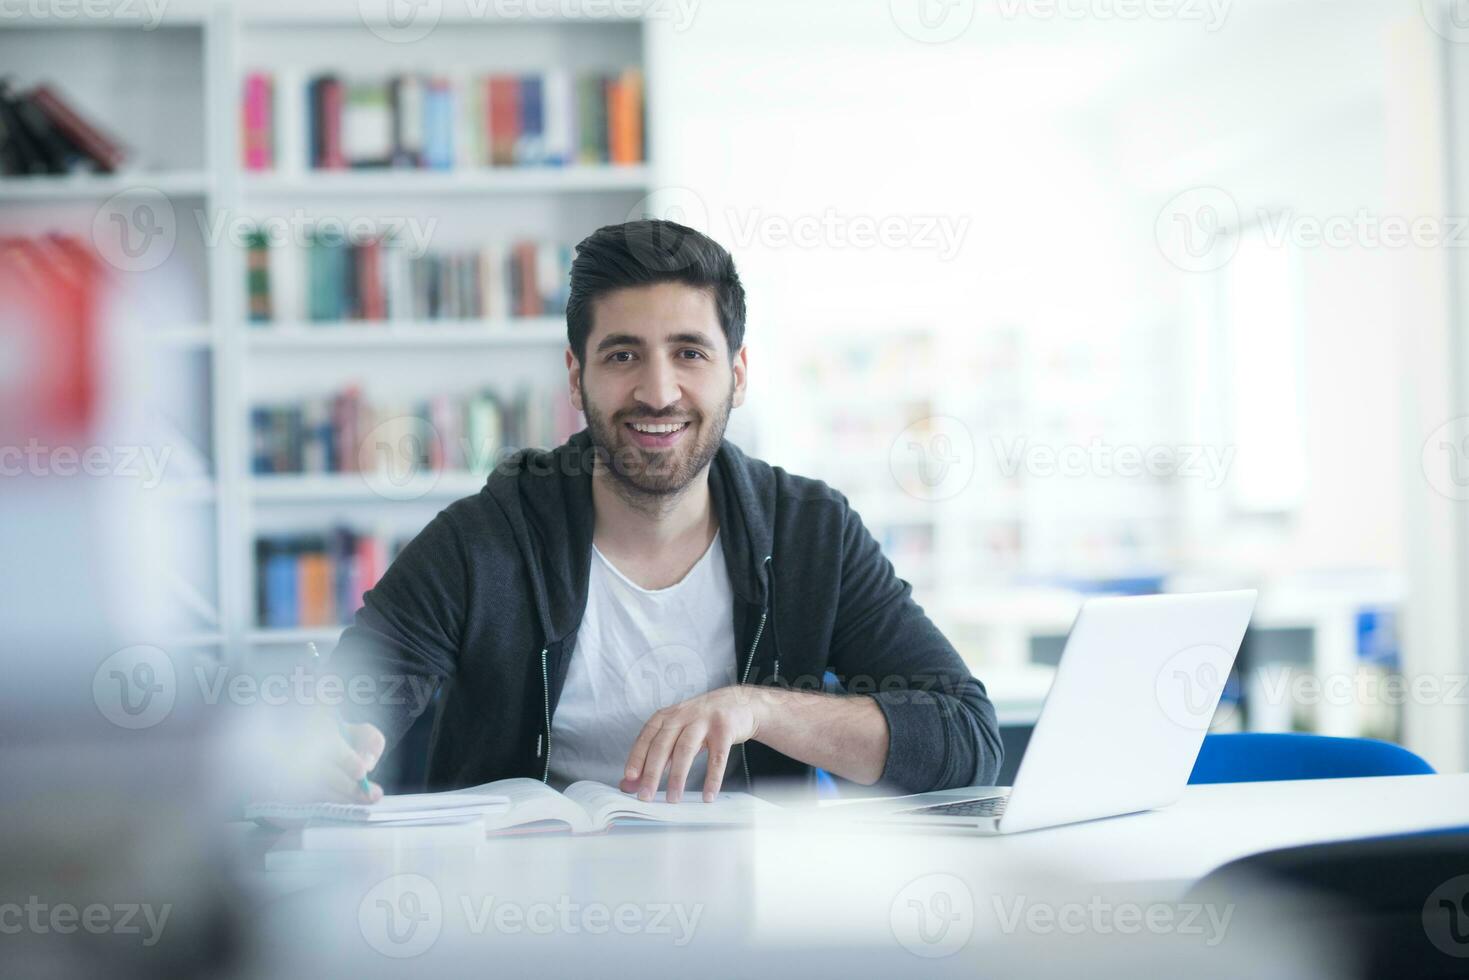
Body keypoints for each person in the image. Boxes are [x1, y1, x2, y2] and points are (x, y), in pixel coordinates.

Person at [324, 219, 1002, 804]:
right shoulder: (484, 540)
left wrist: (758, 708)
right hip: (529, 917)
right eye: (623, 355)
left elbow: (964, 739)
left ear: (736, 373)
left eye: (688, 353)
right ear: (574, 374)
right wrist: (325, 750)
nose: (656, 391)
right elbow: (339, 707)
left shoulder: (811, 533)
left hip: (757, 918)